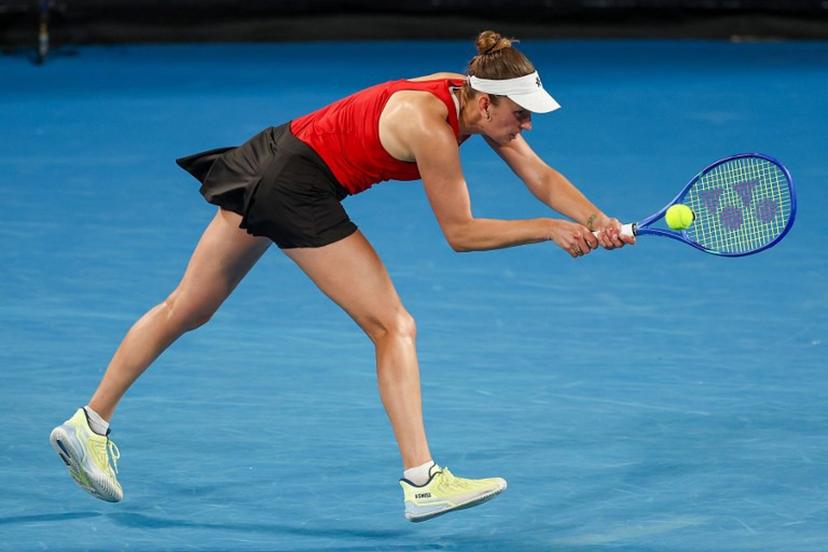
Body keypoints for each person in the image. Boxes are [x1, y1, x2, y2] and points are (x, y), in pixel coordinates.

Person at [49, 30, 634, 522]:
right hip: (298, 186)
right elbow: (460, 234)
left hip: (270, 158)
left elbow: (540, 175)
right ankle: (423, 480)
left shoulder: (468, 94)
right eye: (520, 115)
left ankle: (88, 424)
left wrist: (594, 218)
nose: (526, 126)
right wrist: (549, 230)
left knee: (189, 307)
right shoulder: (432, 126)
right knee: (393, 326)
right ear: (486, 104)